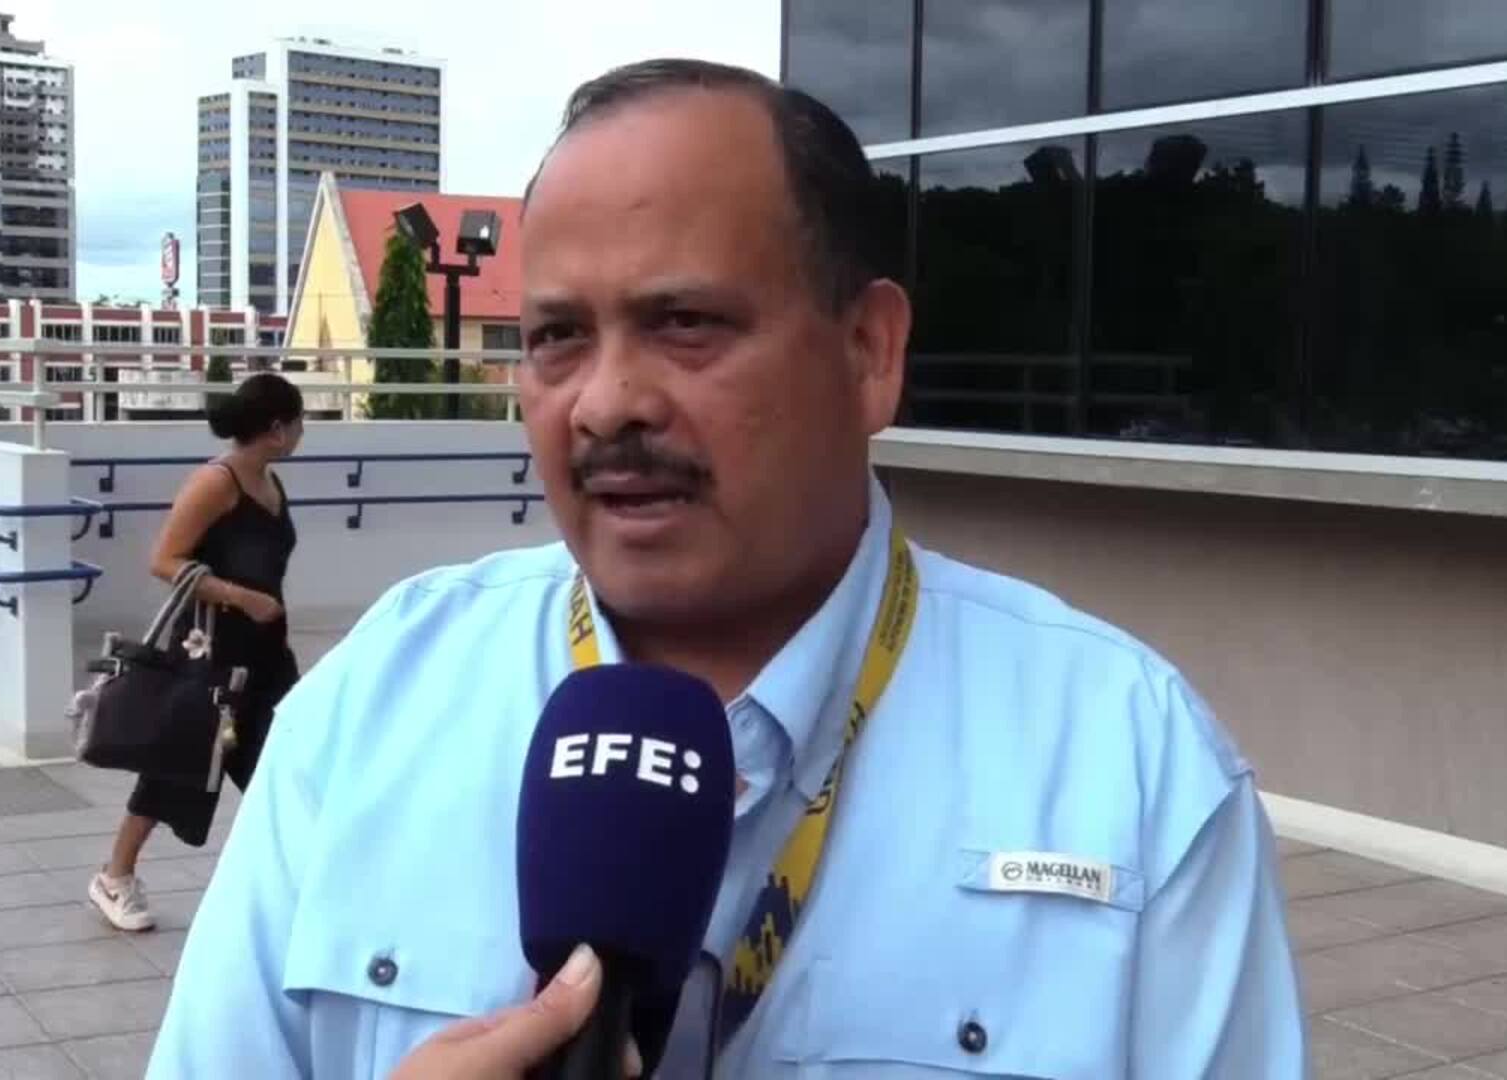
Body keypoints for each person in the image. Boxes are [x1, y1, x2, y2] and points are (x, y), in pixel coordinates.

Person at [151, 59, 1304, 1077]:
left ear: (869, 352)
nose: (606, 404)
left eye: (687, 323)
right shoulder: (371, 706)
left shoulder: (1131, 768)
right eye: (556, 337)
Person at [88, 372, 305, 933]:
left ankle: (290, 885)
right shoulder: (217, 482)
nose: (303, 432)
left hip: (266, 652)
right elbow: (164, 560)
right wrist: (242, 598)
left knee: (285, 762)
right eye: (299, 422)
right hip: (213, 652)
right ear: (277, 429)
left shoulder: (269, 481)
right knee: (179, 765)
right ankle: (115, 876)